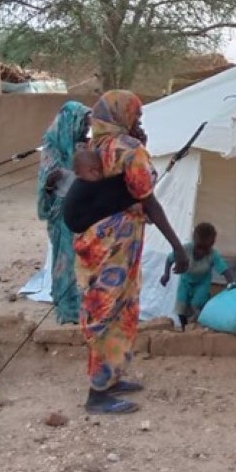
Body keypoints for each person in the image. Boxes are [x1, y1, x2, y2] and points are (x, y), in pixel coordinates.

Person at [74, 90, 189, 415]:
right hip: (116, 246)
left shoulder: (95, 145)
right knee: (110, 310)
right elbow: (147, 198)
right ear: (121, 116)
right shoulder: (129, 148)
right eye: (134, 116)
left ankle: (110, 377)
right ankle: (97, 393)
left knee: (114, 307)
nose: (138, 121)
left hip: (96, 242)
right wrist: (177, 247)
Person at [37, 101, 91, 324]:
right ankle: (66, 310)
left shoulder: (86, 146)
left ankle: (85, 308)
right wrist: (50, 183)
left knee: (86, 261)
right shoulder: (52, 145)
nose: (84, 128)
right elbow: (45, 190)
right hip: (61, 213)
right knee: (64, 261)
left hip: (85, 211)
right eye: (81, 122)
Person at [161, 222, 236, 330]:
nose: (201, 252)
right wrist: (166, 274)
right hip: (185, 281)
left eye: (205, 249)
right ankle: (184, 327)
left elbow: (224, 269)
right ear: (194, 241)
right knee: (181, 304)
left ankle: (198, 325)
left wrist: (231, 282)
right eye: (199, 247)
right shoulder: (185, 249)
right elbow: (169, 259)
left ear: (211, 245)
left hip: (202, 282)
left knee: (196, 304)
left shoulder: (213, 254)